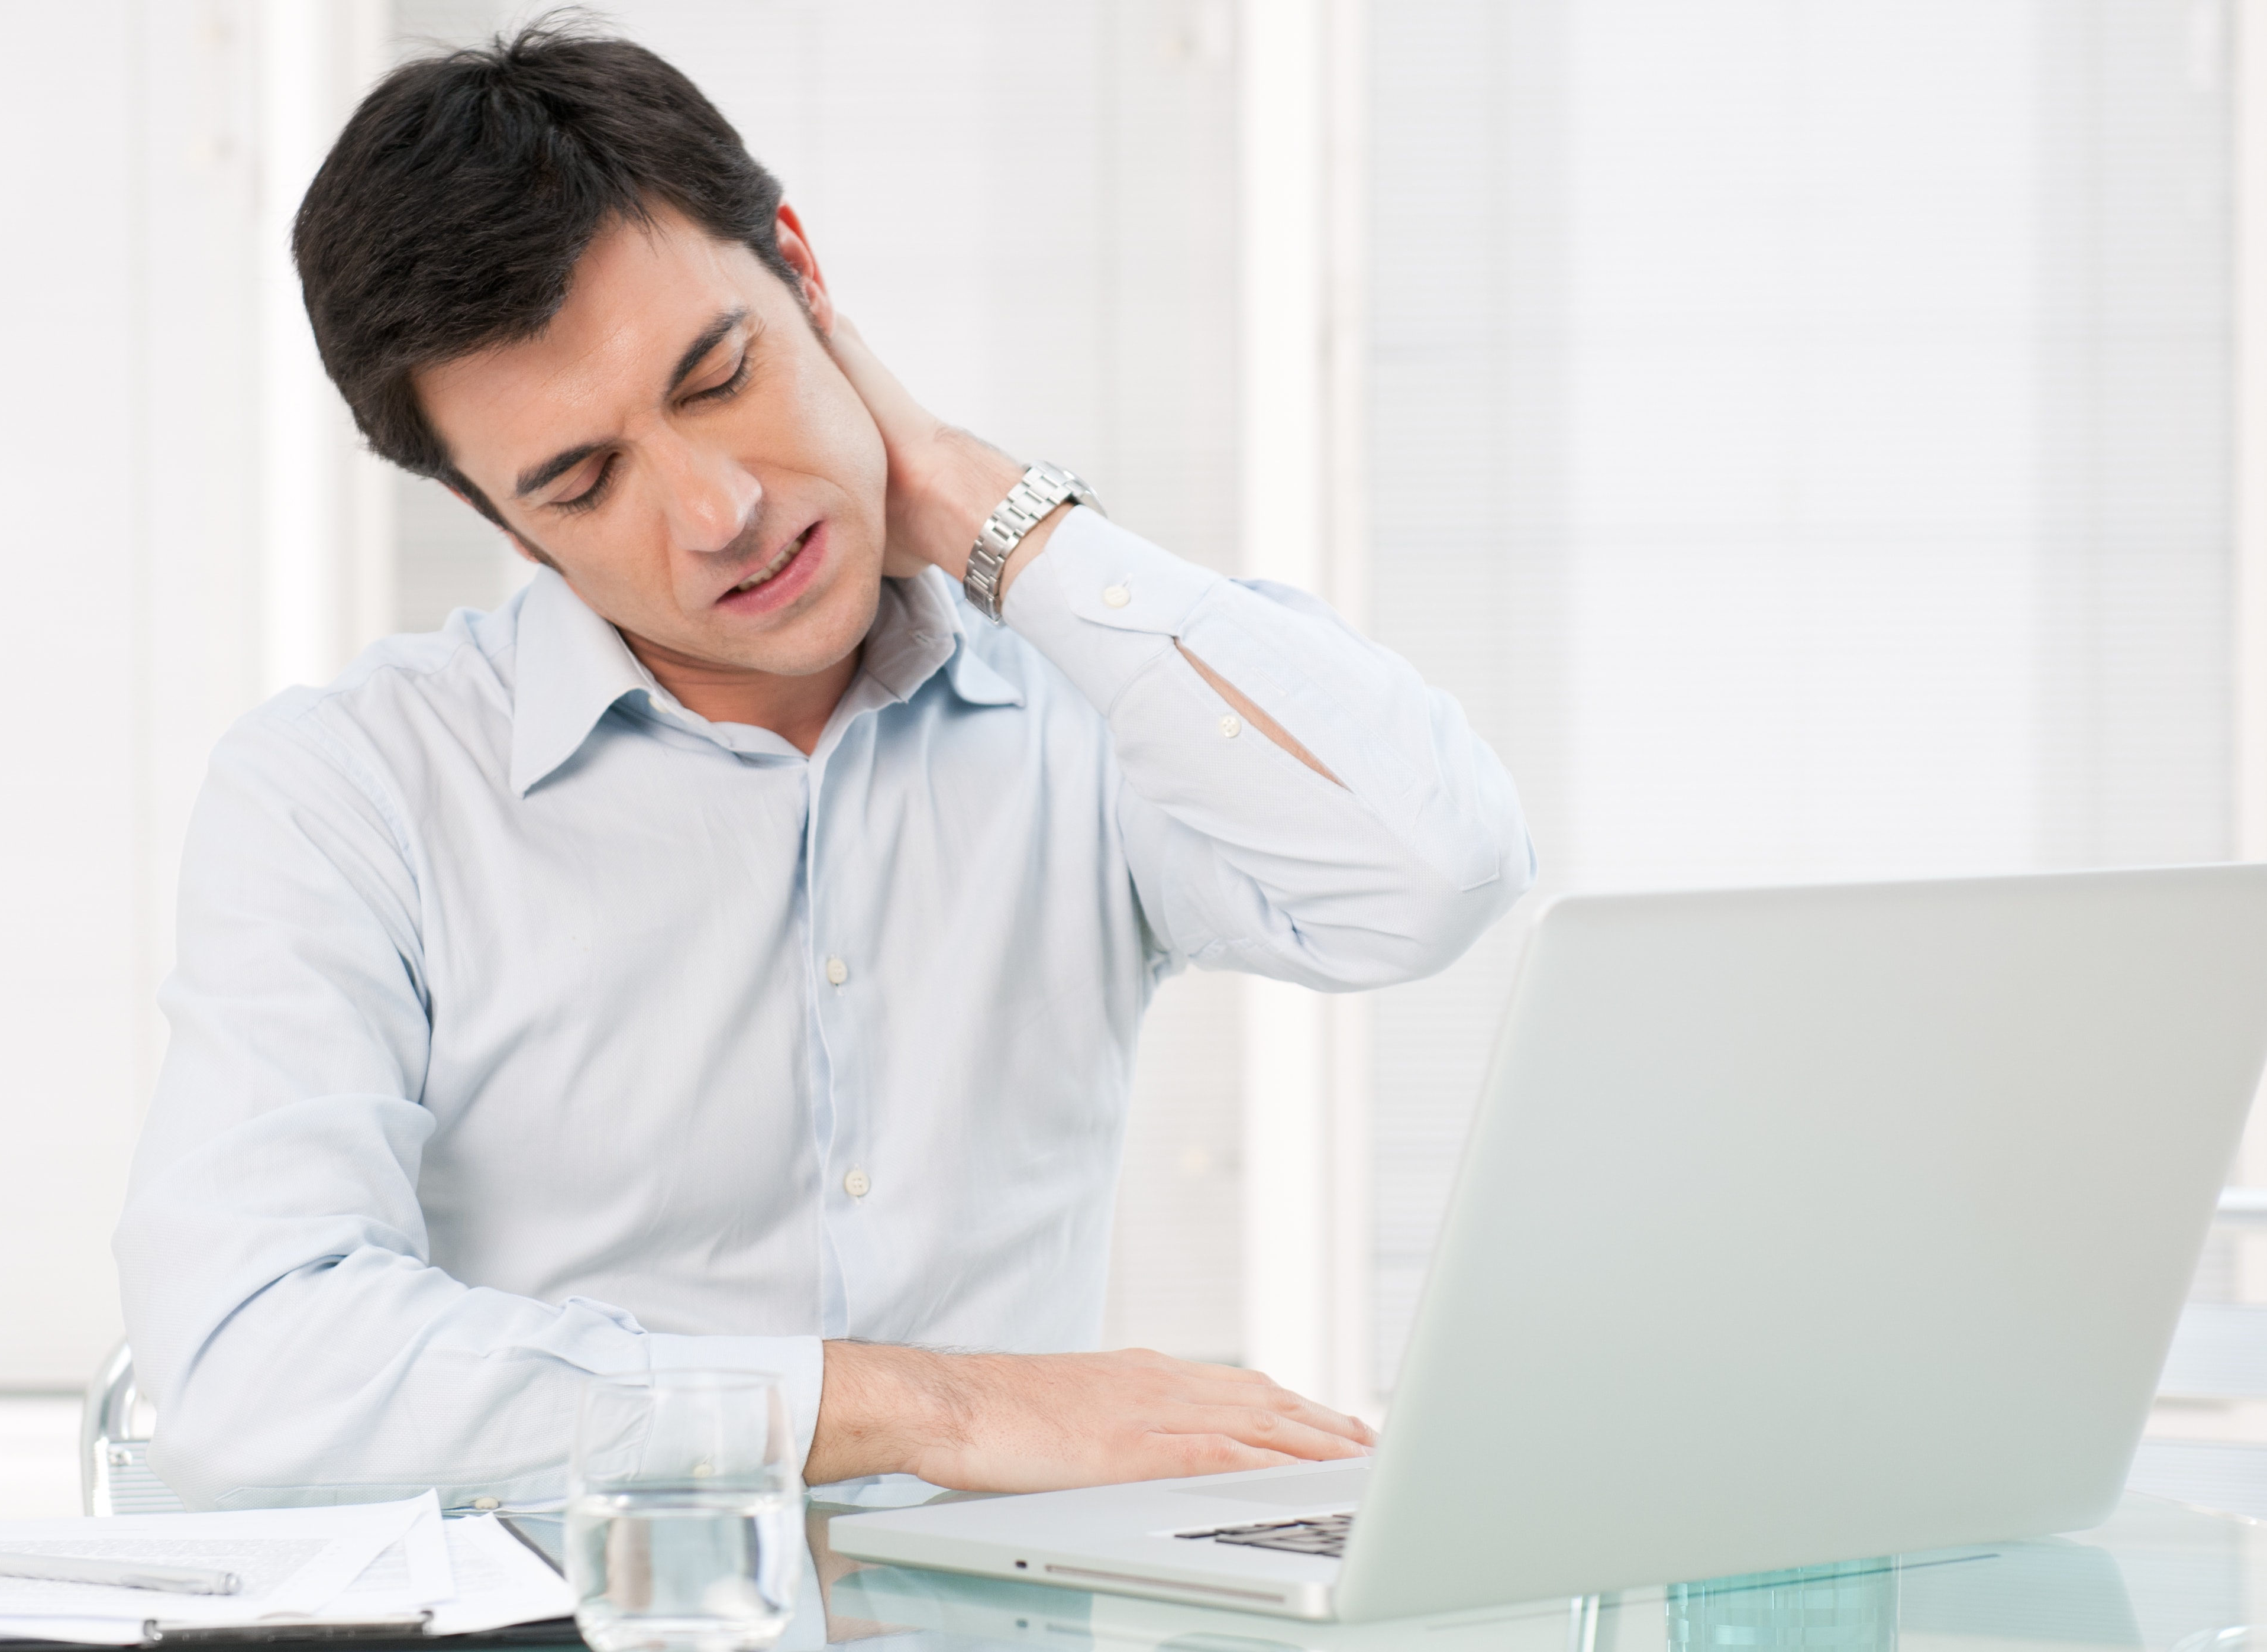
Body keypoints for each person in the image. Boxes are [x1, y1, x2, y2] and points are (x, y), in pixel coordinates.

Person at [115, 19, 1533, 1512]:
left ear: (802, 271)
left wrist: (988, 506)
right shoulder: (351, 792)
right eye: (585, 481)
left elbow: (1432, 871)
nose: (720, 510)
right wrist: (921, 1405)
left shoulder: (1079, 692)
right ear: (508, 522)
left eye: (722, 376)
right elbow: (249, 1362)